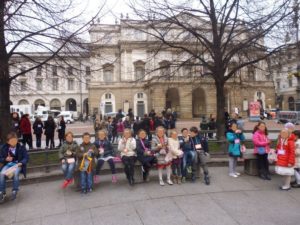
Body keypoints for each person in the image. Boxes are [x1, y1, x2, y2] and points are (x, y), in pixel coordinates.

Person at [0, 132, 29, 202]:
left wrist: (21, 163)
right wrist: (5, 159)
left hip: (17, 164)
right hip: (8, 164)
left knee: (16, 173)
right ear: (8, 141)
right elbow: (0, 158)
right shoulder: (4, 147)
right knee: (1, 174)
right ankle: (2, 192)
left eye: (14, 141)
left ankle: (14, 190)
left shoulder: (21, 146)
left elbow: (26, 157)